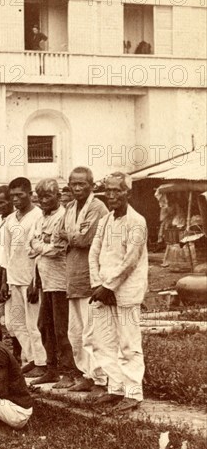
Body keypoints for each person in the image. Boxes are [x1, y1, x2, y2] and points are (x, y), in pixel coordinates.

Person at [89, 172, 148, 413]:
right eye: (108, 190)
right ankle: (115, 387)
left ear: (128, 193)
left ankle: (133, 392)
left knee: (128, 343)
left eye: (117, 190)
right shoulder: (106, 220)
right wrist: (97, 284)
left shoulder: (137, 222)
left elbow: (130, 261)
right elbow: (94, 252)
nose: (112, 195)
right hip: (102, 290)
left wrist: (110, 286)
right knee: (103, 341)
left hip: (125, 291)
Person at [59, 167, 109, 393]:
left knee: (93, 332)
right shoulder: (69, 207)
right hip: (72, 276)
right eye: (73, 184)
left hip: (90, 278)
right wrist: (70, 237)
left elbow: (85, 239)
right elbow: (60, 235)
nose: (77, 188)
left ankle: (101, 378)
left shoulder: (97, 207)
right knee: (76, 332)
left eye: (82, 184)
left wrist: (69, 237)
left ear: (92, 185)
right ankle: (87, 375)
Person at [29, 179, 77, 388]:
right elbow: (31, 243)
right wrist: (42, 246)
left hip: (61, 280)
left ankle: (69, 372)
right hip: (45, 279)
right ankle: (52, 369)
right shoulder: (40, 219)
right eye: (40, 197)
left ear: (58, 196)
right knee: (44, 326)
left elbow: (58, 248)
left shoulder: (64, 217)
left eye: (48, 196)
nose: (43, 201)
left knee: (61, 329)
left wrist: (41, 246)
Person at [1, 177, 46, 377]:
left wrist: (35, 282)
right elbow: (6, 253)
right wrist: (4, 281)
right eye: (13, 196)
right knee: (14, 323)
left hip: (31, 279)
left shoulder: (38, 216)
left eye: (20, 195)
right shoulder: (10, 219)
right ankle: (30, 359)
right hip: (14, 277)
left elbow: (38, 252)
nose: (16, 199)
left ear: (30, 194)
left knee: (33, 323)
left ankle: (42, 362)